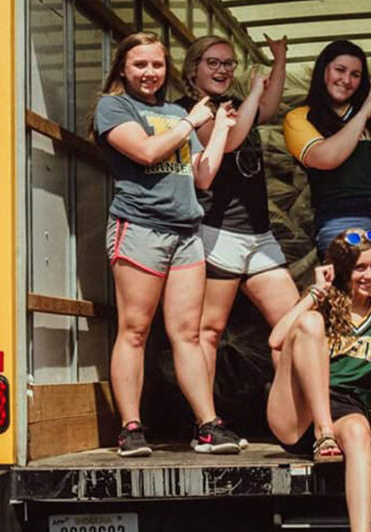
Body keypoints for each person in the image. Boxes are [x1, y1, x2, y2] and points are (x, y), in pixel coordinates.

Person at [92, 31, 239, 456]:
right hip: (140, 227)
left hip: (186, 232)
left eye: (157, 64)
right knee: (135, 330)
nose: (150, 72)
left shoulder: (174, 112)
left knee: (188, 335)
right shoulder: (113, 107)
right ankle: (130, 429)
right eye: (140, 64)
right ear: (123, 68)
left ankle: (208, 425)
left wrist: (219, 131)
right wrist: (191, 122)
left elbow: (202, 176)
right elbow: (146, 152)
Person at [177, 34, 300, 440]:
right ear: (193, 68)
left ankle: (294, 418)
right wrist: (252, 94)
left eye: (228, 63)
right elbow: (226, 142)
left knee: (295, 325)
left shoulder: (234, 105)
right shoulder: (192, 109)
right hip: (219, 231)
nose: (222, 69)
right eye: (213, 62)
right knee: (209, 331)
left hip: (259, 235)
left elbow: (268, 107)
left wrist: (279, 59)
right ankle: (206, 424)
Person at [266, 228, 371, 532]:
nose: (369, 275)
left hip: (347, 407)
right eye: (359, 268)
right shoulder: (323, 303)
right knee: (309, 323)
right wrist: (316, 292)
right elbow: (276, 340)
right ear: (342, 271)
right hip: (299, 411)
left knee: (356, 432)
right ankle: (323, 431)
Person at [283, 40, 371, 316]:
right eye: (340, 70)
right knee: (354, 308)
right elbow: (325, 158)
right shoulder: (300, 117)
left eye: (355, 74)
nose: (346, 80)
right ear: (323, 71)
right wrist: (363, 113)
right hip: (341, 214)